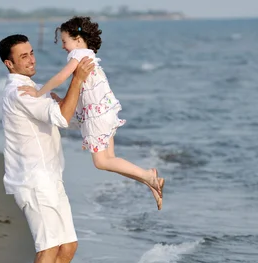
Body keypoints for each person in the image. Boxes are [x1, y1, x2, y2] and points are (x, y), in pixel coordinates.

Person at [0, 34, 94, 263]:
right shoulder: (21, 93)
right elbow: (64, 118)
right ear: (9, 63)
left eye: (31, 53)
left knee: (68, 246)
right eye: (23, 56)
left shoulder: (35, 91)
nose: (31, 59)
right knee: (48, 248)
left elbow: (62, 111)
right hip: (34, 180)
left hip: (51, 177)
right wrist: (77, 78)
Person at [19, 16, 165, 209]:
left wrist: (39, 92)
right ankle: (149, 182)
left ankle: (148, 175)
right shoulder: (88, 55)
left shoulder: (77, 55)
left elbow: (62, 76)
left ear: (78, 39)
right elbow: (84, 89)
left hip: (97, 116)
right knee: (110, 160)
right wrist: (63, 101)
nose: (63, 46)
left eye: (64, 41)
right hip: (105, 111)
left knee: (101, 162)